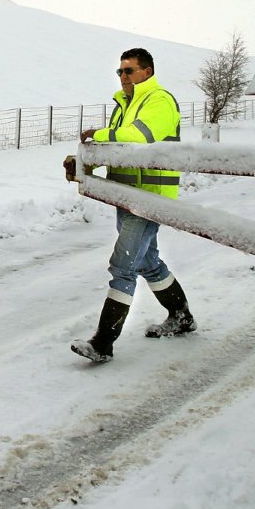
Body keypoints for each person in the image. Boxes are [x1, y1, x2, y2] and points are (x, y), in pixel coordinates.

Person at [70, 47, 195, 364]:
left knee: (123, 265)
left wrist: (98, 134)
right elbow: (116, 148)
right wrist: (89, 163)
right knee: (147, 262)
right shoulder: (123, 104)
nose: (123, 76)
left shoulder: (160, 101)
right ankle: (181, 317)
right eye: (120, 71)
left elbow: (139, 136)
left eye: (129, 70)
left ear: (147, 72)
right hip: (125, 195)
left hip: (149, 198)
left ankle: (103, 342)